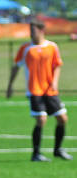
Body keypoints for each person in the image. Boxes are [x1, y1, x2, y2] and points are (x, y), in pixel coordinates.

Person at [6, 20, 72, 162]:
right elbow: (16, 67)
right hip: (34, 89)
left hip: (50, 90)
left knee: (62, 119)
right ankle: (36, 154)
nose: (31, 33)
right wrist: (10, 85)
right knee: (41, 120)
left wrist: (55, 82)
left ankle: (58, 150)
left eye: (33, 30)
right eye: (30, 30)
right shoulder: (25, 48)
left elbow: (57, 65)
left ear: (41, 31)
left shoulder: (52, 46)